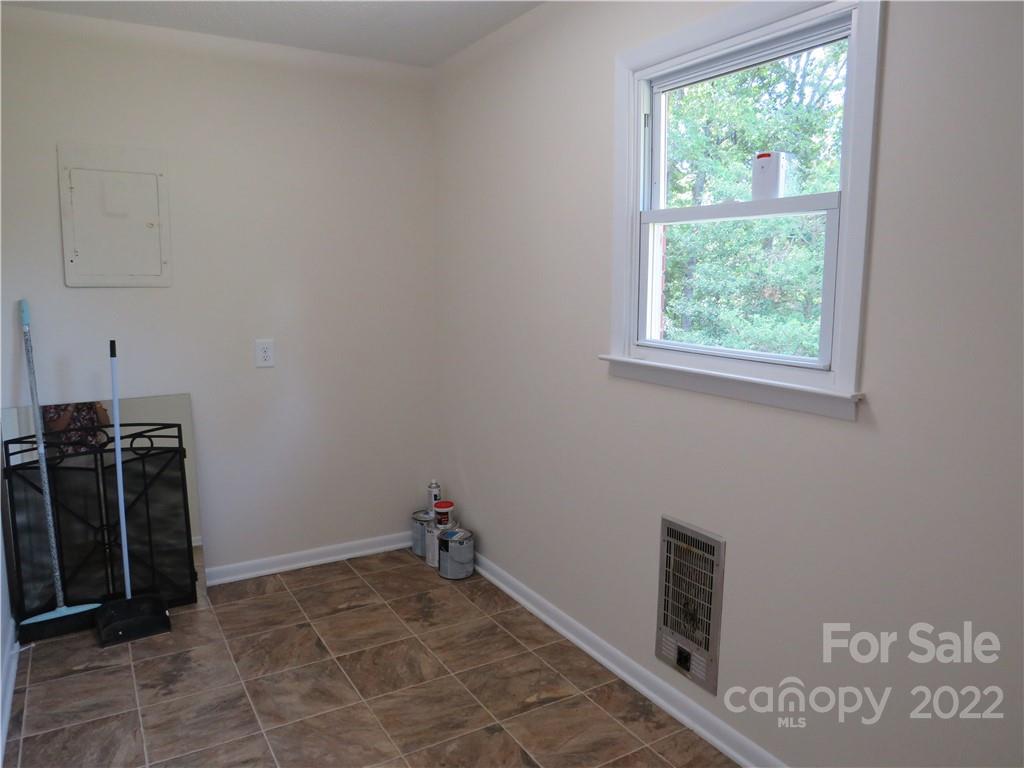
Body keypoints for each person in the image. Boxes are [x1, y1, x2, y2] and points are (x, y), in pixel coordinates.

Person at [41, 401, 109, 454]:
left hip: (94, 450)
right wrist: (71, 406)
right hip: (70, 453)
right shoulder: (52, 401)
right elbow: (56, 428)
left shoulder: (89, 402)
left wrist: (97, 403)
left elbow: (106, 423)